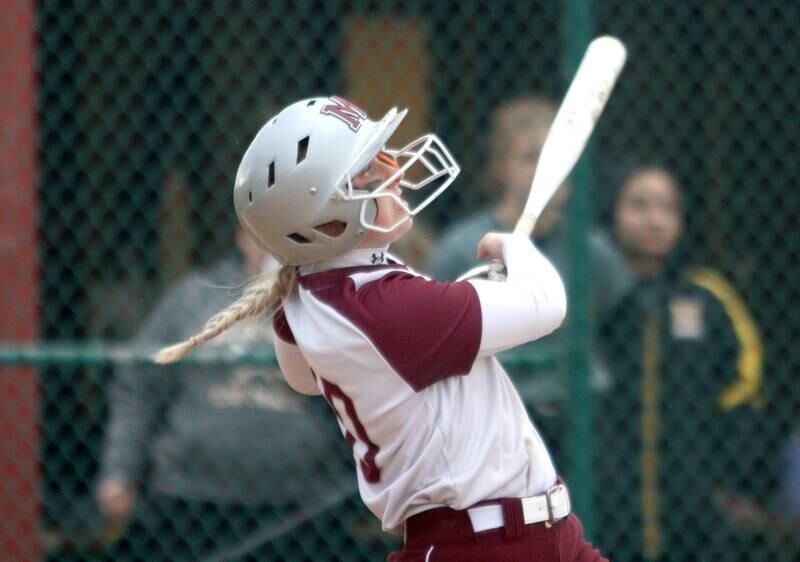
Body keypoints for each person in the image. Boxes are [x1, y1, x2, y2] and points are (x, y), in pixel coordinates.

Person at [155, 95, 609, 561]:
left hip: (533, 534)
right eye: (371, 174)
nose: (394, 174)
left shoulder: (315, 293)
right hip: (484, 544)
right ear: (327, 220)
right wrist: (517, 251)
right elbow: (548, 304)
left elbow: (303, 378)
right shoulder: (381, 306)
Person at [96, 226, 353, 561]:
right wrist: (119, 473)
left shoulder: (323, 300)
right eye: (265, 230)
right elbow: (139, 389)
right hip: (190, 501)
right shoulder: (195, 295)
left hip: (300, 506)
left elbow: (359, 397)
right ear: (241, 237)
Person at [427, 95, 632, 441]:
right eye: (529, 157)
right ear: (500, 168)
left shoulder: (592, 251)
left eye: (555, 156)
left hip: (580, 421)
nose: (545, 168)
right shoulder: (462, 248)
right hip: (493, 421)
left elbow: (623, 330)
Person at [596, 164, 765, 561]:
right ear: (613, 211)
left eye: (668, 208)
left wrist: (727, 474)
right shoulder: (592, 295)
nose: (654, 220)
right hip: (608, 497)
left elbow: (745, 382)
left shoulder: (708, 296)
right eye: (639, 205)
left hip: (692, 498)